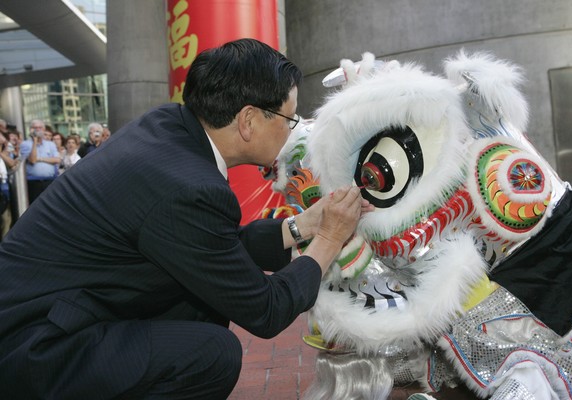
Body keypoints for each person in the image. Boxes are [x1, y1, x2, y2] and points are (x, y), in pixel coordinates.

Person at [0, 38, 371, 399]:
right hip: (35, 347)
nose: (292, 130)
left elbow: (211, 251)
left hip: (50, 313)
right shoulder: (187, 186)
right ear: (248, 121)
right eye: (289, 118)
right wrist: (328, 239)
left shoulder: (168, 128)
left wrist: (303, 225)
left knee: (200, 304)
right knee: (214, 355)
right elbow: (266, 309)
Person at [18, 119, 60, 204]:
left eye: (40, 127)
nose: (37, 129)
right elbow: (33, 160)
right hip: (34, 183)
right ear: (30, 130)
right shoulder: (25, 144)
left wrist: (40, 159)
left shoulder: (50, 144)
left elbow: (57, 159)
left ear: (44, 130)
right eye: (35, 127)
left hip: (50, 181)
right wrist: (35, 142)